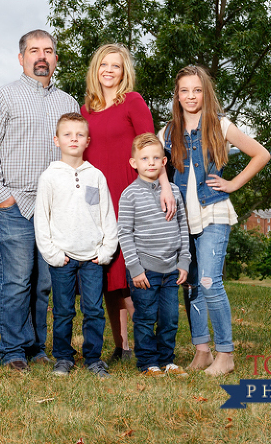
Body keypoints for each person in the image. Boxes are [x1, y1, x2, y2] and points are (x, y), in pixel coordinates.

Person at [0, 30, 80, 372]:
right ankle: (12, 351)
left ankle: (37, 346)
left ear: (55, 59)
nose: (42, 56)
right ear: (20, 58)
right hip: (13, 205)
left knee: (42, 285)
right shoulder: (2, 98)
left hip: (53, 209)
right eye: (34, 51)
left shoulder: (69, 104)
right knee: (16, 282)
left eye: (48, 51)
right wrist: (0, 195)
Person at [160, 65, 270, 376]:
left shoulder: (220, 126)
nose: (191, 96)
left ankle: (225, 355)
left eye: (197, 90)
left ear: (205, 93)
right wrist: (165, 191)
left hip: (213, 213)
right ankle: (202, 351)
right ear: (177, 95)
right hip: (182, 219)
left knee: (210, 281)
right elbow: (157, 171)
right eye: (184, 90)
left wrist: (233, 183)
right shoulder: (166, 133)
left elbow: (261, 154)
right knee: (192, 283)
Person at [80, 43, 175, 362]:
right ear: (96, 70)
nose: (109, 70)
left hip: (131, 193)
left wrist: (164, 186)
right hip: (97, 198)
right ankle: (122, 346)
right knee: (108, 275)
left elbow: (151, 145)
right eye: (104, 65)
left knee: (134, 272)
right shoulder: (86, 110)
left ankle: (145, 343)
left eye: (116, 66)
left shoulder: (133, 102)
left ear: (124, 72)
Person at [34, 113, 118, 378]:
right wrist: (53, 254)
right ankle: (63, 357)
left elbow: (107, 215)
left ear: (87, 141)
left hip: (93, 257)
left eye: (79, 135)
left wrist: (106, 251)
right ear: (57, 140)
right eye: (68, 134)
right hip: (63, 258)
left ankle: (94, 358)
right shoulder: (50, 176)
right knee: (63, 310)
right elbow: (42, 219)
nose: (74, 139)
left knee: (93, 309)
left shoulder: (96, 176)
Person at [117, 133, 190, 377]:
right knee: (146, 318)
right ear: (133, 163)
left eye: (156, 158)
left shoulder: (175, 193)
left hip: (171, 269)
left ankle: (167, 359)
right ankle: (148, 363)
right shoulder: (129, 195)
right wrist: (135, 269)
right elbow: (124, 233)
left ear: (163, 162)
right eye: (145, 158)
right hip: (145, 271)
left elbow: (183, 228)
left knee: (169, 319)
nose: (151, 162)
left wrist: (184, 261)